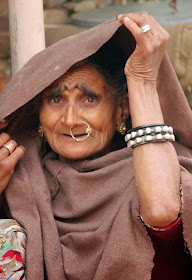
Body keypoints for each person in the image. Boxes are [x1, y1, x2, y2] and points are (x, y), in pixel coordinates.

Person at [0, 12, 192, 280]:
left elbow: (162, 212)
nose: (69, 120)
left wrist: (142, 80)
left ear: (121, 110)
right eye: (56, 100)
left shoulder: (162, 173)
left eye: (88, 99)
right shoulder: (20, 180)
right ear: (38, 114)